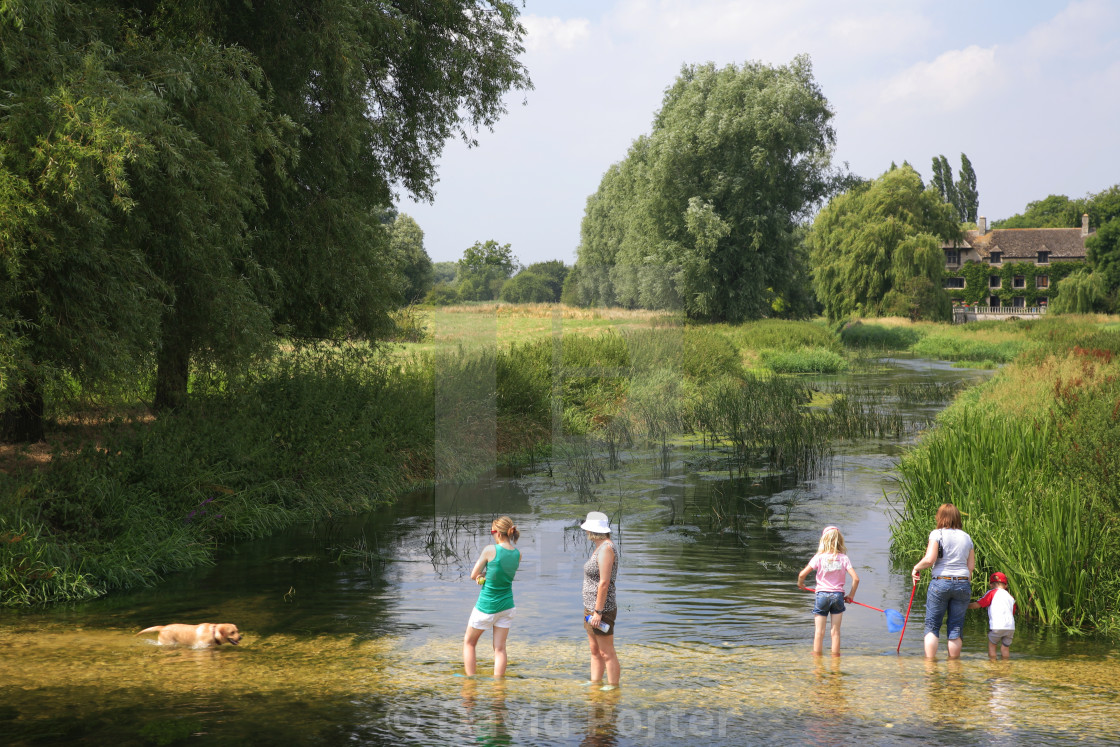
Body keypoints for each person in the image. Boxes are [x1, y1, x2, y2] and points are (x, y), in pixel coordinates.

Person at [911, 502, 975, 659]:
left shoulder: (937, 534)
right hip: (962, 582)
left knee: (932, 626)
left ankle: (930, 665)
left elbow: (930, 559)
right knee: (955, 628)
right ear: (957, 518)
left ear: (940, 517)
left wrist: (916, 568)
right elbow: (970, 567)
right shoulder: (967, 537)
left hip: (941, 581)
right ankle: (954, 668)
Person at [463, 516, 521, 677]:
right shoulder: (517, 554)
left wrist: (481, 576)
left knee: (469, 643)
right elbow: (500, 575)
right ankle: (498, 687)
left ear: (498, 533)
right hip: (507, 606)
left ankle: (470, 681)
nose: (492, 535)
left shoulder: (490, 550)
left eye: (492, 532)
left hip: (487, 606)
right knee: (500, 648)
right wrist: (487, 575)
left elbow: (473, 575)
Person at [797, 526, 860, 656]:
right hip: (838, 596)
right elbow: (856, 579)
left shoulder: (819, 557)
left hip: (822, 596)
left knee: (819, 632)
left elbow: (802, 575)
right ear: (840, 541)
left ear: (823, 541)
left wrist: (801, 584)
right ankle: (835, 661)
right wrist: (851, 595)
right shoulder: (844, 558)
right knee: (835, 632)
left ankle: (817, 660)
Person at [581, 511, 619, 690]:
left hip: (601, 609)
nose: (586, 532)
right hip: (591, 608)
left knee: (606, 651)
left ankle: (613, 687)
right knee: (595, 650)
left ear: (592, 530)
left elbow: (604, 583)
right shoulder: (600, 546)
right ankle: (595, 682)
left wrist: (598, 611)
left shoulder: (606, 549)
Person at [969, 571, 1017, 660]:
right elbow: (1012, 612)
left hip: (997, 626)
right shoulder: (1010, 597)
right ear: (1006, 586)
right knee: (1005, 647)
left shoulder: (991, 593)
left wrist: (965, 606)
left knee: (992, 645)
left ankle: (993, 663)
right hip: (1010, 627)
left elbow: (978, 604)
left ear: (990, 585)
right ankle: (1005, 664)